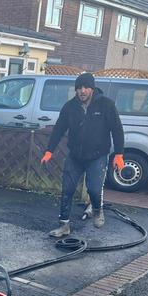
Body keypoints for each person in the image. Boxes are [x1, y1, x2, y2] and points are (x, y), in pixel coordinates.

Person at [40, 72, 125, 237]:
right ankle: (64, 225)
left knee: (94, 189)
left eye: (86, 87)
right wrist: (49, 150)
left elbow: (117, 130)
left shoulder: (106, 105)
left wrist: (119, 153)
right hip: (76, 156)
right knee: (67, 190)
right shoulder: (70, 107)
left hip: (97, 156)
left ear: (92, 88)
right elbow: (59, 129)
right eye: (79, 88)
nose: (82, 91)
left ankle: (97, 210)